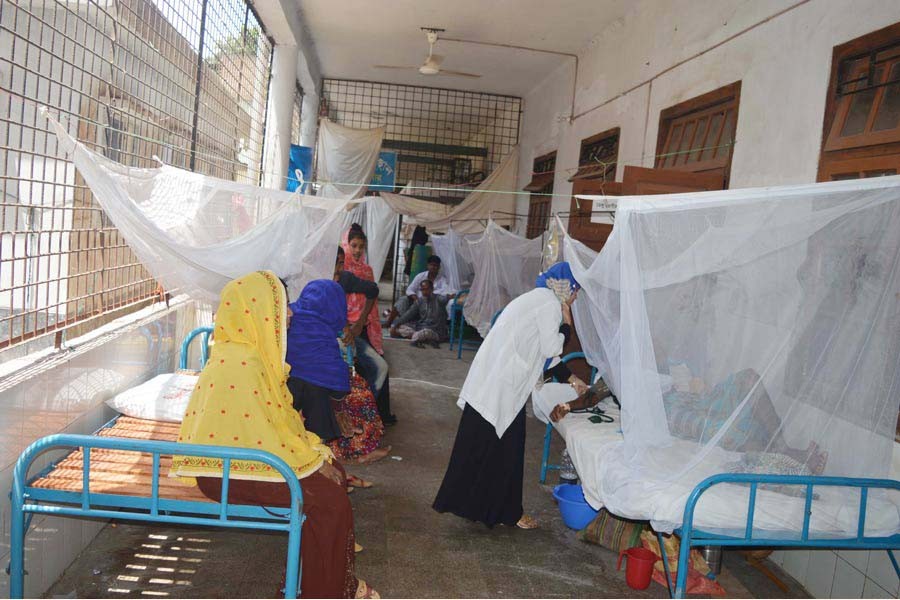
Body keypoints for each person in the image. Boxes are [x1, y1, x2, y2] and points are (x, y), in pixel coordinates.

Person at [171, 271, 378, 599]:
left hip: (238, 461)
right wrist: (309, 463)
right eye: (280, 306)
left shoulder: (249, 354)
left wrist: (312, 455)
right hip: (226, 471)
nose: (290, 314)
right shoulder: (242, 363)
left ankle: (308, 580)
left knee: (333, 477)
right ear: (256, 311)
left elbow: (274, 423)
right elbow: (265, 435)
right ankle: (325, 592)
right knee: (330, 502)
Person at [432, 262, 586, 530]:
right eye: (575, 291)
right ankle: (505, 512)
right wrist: (567, 325)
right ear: (566, 286)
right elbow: (552, 346)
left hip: (494, 382)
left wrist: (573, 380)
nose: (575, 298)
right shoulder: (550, 305)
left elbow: (544, 357)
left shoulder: (536, 299)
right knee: (502, 449)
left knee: (491, 448)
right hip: (500, 386)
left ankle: (490, 509)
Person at [284, 279, 354, 441]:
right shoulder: (323, 331)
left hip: (283, 396)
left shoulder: (290, 315)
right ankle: (349, 449)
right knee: (330, 389)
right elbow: (337, 376)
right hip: (313, 405)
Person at [341, 225, 396, 426]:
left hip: (362, 325)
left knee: (379, 366)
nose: (357, 250)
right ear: (346, 244)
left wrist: (365, 323)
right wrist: (347, 325)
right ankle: (355, 415)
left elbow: (371, 300)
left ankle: (371, 412)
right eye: (354, 245)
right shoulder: (342, 269)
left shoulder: (367, 270)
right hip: (343, 327)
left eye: (361, 247)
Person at [384, 255, 455, 328]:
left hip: (430, 304)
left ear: (439, 267)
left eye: (436, 266)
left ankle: (405, 325)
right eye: (432, 265)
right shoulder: (420, 276)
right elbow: (410, 289)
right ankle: (389, 322)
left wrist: (430, 295)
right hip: (417, 301)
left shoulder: (442, 280)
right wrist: (415, 297)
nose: (433, 267)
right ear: (428, 265)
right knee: (403, 300)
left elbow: (445, 292)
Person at [389, 279, 450, 348]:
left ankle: (416, 338)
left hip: (436, 331)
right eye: (422, 290)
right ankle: (420, 338)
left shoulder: (439, 299)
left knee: (426, 332)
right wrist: (395, 326)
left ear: (432, 289)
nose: (424, 292)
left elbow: (446, 298)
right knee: (397, 327)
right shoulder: (419, 301)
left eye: (427, 289)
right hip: (420, 327)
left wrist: (450, 296)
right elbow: (408, 315)